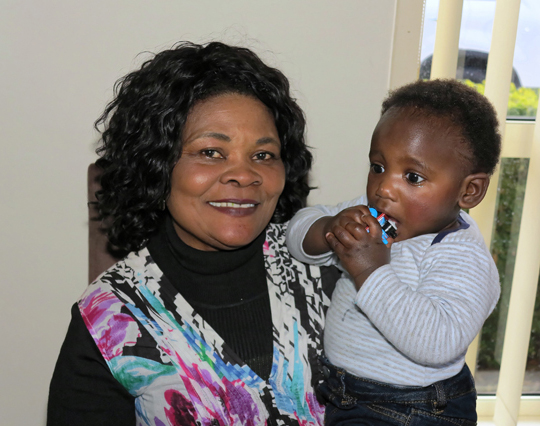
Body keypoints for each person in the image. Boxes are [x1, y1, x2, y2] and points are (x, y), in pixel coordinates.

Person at [47, 41, 340, 426]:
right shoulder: (110, 318)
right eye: (211, 152)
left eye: (263, 155)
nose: (245, 175)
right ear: (157, 164)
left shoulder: (327, 270)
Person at [286, 79, 501, 425]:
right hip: (342, 392)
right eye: (378, 167)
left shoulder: (463, 257)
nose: (384, 188)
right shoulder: (371, 214)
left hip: (416, 408)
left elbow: (437, 342)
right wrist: (330, 228)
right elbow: (295, 233)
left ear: (469, 191)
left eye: (413, 177)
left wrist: (369, 271)